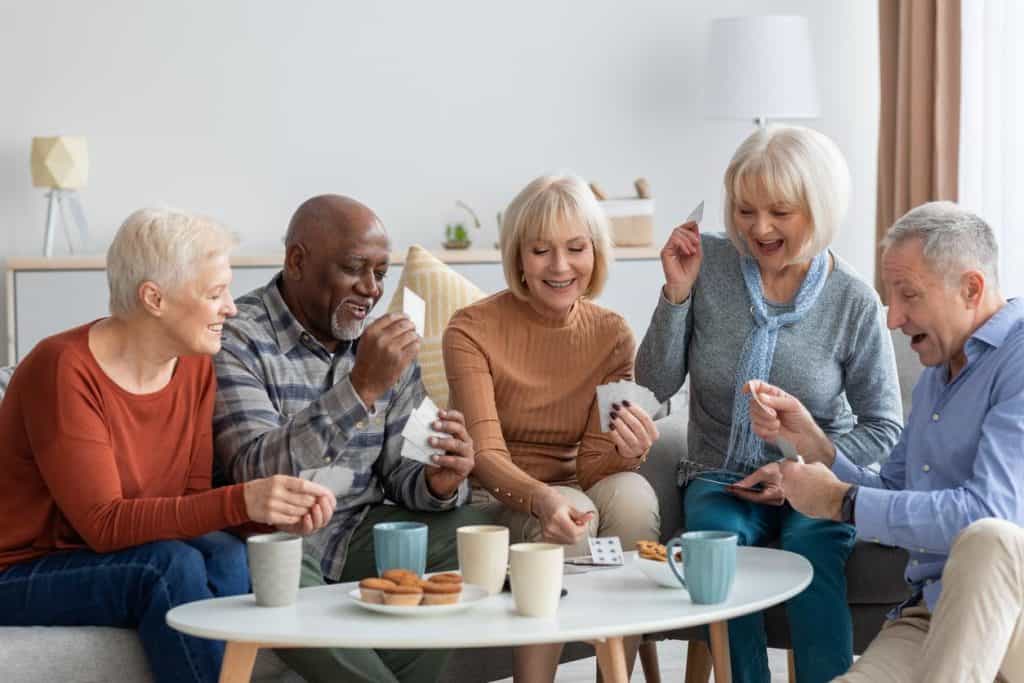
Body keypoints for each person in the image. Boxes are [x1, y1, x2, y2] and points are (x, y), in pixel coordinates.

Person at [0, 208, 335, 683]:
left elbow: (189, 505)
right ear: (153, 298)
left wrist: (266, 513)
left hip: (110, 554)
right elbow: (103, 524)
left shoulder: (193, 366)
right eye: (214, 294)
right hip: (21, 568)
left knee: (226, 554)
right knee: (166, 567)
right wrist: (241, 497)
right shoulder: (62, 369)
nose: (231, 308)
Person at [635, 125, 903, 683]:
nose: (758, 228)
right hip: (718, 476)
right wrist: (677, 294)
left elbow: (884, 428)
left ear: (818, 207)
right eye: (746, 209)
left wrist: (798, 469)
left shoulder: (853, 299)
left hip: (815, 479)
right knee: (719, 563)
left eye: (780, 211)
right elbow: (655, 382)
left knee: (813, 559)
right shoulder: (707, 262)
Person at [213, 194, 491, 683]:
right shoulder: (238, 337)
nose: (370, 289)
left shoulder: (382, 342)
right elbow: (255, 472)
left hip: (359, 530)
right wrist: (360, 387)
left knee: (474, 536)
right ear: (297, 261)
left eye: (381, 274)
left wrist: (439, 479)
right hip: (278, 536)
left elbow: (400, 473)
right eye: (354, 269)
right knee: (275, 563)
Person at [746, 201, 1024, 681]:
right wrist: (816, 446)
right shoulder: (938, 374)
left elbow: (988, 514)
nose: (893, 318)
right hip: (932, 612)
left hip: (1013, 611)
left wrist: (843, 502)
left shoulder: (1017, 361)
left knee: (988, 538)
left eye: (909, 296)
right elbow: (894, 491)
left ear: (971, 288)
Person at [443, 173, 661, 680]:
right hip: (498, 497)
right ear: (519, 256)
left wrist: (629, 450)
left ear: (595, 253)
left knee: (633, 493)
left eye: (576, 248)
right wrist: (544, 499)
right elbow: (485, 456)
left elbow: (594, 462)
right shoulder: (470, 329)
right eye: (541, 250)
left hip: (575, 487)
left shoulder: (611, 333)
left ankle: (615, 675)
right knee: (576, 511)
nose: (560, 266)